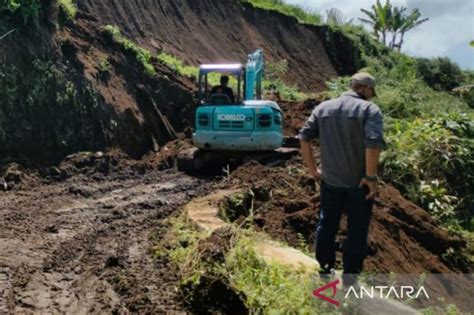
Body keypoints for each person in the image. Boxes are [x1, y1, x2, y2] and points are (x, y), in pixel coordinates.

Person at [298, 72, 385, 286]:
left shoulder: (323, 108)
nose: (371, 97)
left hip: (331, 181)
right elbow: (373, 143)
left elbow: (304, 137)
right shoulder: (369, 110)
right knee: (357, 229)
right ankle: (350, 279)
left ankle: (325, 270)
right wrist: (370, 176)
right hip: (359, 184)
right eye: (371, 92)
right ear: (364, 88)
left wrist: (313, 170)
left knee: (327, 224)